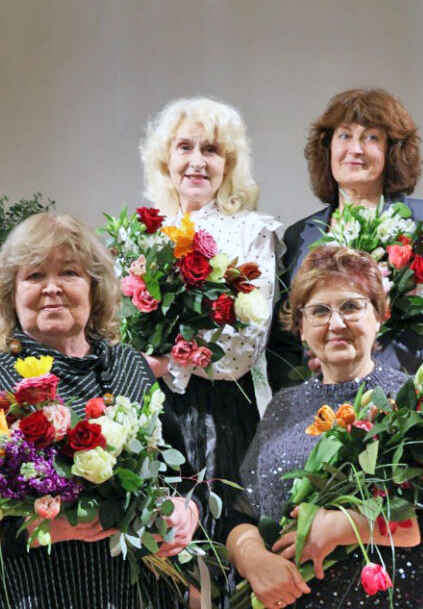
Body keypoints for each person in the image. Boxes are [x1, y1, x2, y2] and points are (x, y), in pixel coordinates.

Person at [0, 213, 199, 609]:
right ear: (11, 294)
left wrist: (185, 509)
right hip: (16, 597)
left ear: (95, 289)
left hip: (131, 595)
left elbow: (182, 476)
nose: (52, 288)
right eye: (35, 276)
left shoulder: (131, 367)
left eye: (70, 273)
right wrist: (32, 527)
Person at [226, 246, 423, 608]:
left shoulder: (416, 399)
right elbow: (243, 512)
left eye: (350, 306)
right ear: (300, 328)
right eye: (318, 311)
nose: (336, 323)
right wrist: (253, 559)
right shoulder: (283, 406)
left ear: (380, 316)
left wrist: (348, 527)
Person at [267, 88, 423, 390]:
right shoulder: (299, 236)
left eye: (371, 137)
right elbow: (283, 342)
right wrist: (304, 391)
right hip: (318, 409)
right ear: (328, 148)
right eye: (345, 136)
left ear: (392, 151)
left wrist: (369, 373)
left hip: (399, 397)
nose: (356, 149)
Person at [139, 97, 282, 525]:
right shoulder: (144, 237)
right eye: (185, 147)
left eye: (211, 150)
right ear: (166, 159)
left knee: (224, 543)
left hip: (221, 411)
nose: (197, 162)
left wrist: (166, 363)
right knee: (161, 546)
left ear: (229, 163)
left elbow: (244, 349)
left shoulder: (253, 233)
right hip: (152, 410)